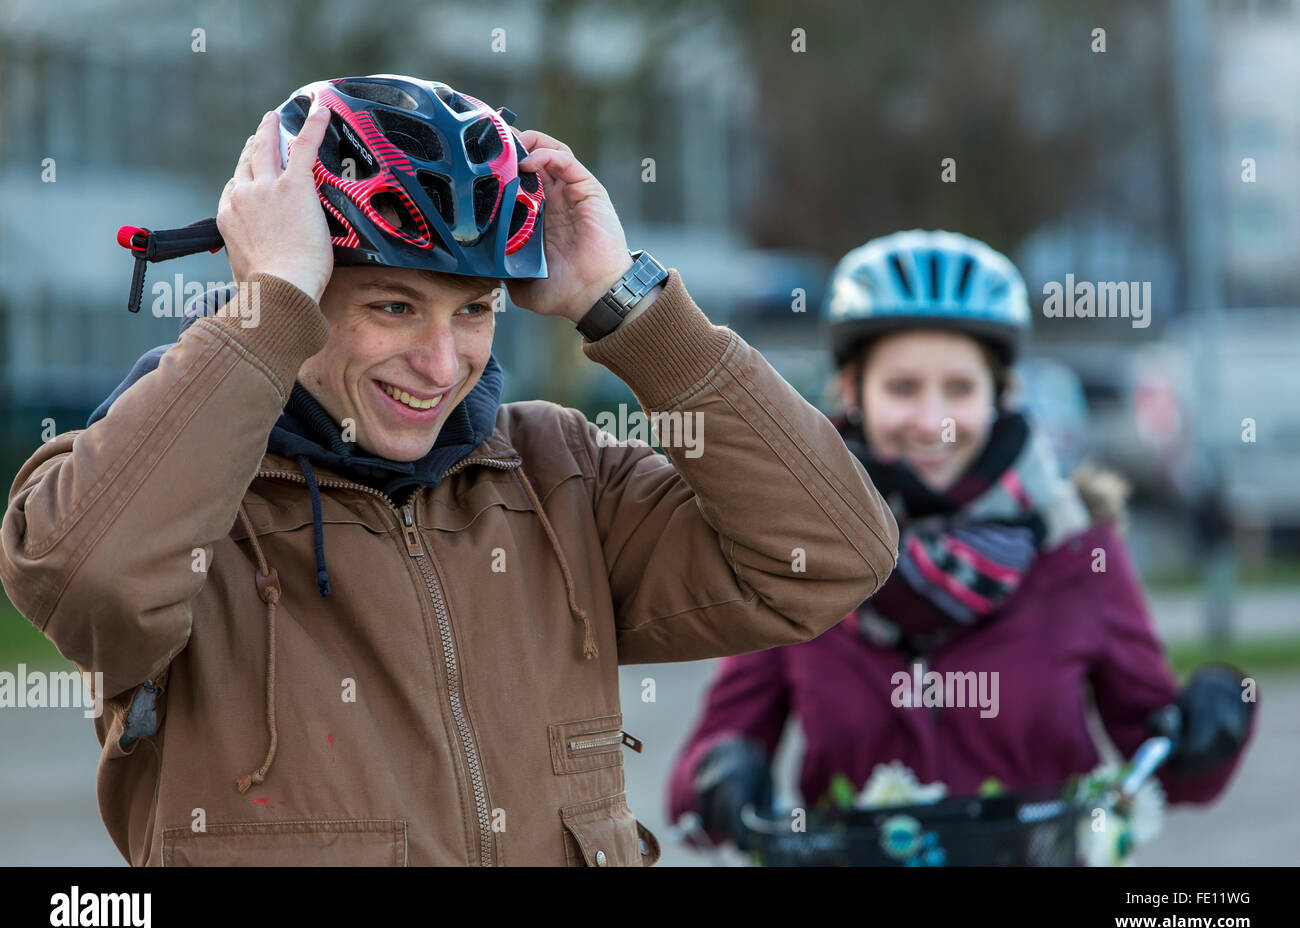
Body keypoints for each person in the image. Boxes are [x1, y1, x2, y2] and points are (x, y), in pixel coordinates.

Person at [0, 75, 898, 866]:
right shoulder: (173, 493)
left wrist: (627, 302)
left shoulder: (560, 477)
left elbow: (832, 554)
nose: (442, 364)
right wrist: (264, 310)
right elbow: (90, 583)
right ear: (297, 281)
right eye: (395, 306)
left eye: (474, 310)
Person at [666, 229, 1258, 856]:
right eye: (902, 388)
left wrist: (1213, 720)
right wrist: (718, 777)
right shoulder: (793, 555)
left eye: (958, 389)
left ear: (1000, 395)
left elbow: (1167, 767)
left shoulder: (1079, 551)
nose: (932, 421)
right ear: (850, 393)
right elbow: (694, 790)